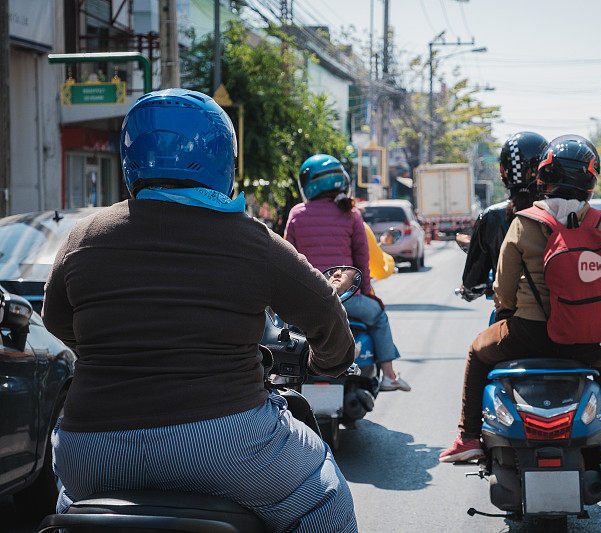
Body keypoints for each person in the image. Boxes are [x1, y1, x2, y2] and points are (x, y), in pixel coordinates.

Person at [42, 89, 358, 532]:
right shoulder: (251, 240)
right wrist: (330, 361)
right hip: (224, 444)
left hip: (90, 450)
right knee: (324, 499)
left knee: (72, 510)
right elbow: (325, 310)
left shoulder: (85, 235)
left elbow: (55, 319)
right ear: (222, 159)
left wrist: (110, 349)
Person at [440, 134, 601, 463]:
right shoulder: (600, 222)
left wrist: (510, 309)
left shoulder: (525, 222)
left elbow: (503, 288)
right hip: (584, 339)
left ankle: (468, 437)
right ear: (591, 179)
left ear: (543, 178)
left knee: (478, 352)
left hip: (528, 333)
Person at [284, 154, 410, 392]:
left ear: (307, 184)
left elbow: (288, 258)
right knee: (379, 316)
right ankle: (389, 375)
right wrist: (364, 294)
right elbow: (362, 261)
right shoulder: (351, 214)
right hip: (347, 299)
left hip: (308, 302)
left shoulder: (297, 214)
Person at [460, 132, 549, 318]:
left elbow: (472, 283)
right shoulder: (561, 212)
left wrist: (468, 291)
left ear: (503, 171)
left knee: (477, 348)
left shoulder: (492, 217)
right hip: (560, 318)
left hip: (513, 321)